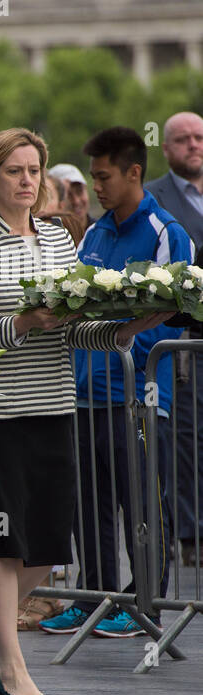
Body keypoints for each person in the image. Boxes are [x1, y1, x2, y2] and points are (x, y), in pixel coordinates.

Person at [0, 127, 172, 695]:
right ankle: (15, 672)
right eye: (14, 171)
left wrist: (133, 325)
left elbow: (76, 331)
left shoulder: (59, 240)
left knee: (43, 549)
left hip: (52, 408)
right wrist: (20, 324)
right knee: (0, 543)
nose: (26, 181)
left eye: (33, 171)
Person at [40, 126, 192, 638]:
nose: (97, 187)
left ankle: (145, 602)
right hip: (86, 394)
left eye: (104, 177)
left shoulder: (166, 230)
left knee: (144, 505)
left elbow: (175, 307)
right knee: (92, 505)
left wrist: (127, 338)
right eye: (92, 177)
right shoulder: (97, 233)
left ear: (133, 172)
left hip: (142, 397)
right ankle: (94, 600)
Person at [146, 111, 203, 565]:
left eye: (199, 137)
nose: (193, 145)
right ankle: (190, 531)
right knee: (187, 438)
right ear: (165, 148)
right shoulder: (154, 200)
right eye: (183, 139)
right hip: (184, 341)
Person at [49, 162, 95, 229]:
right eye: (68, 195)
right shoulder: (48, 235)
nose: (76, 201)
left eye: (79, 191)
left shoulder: (102, 232)